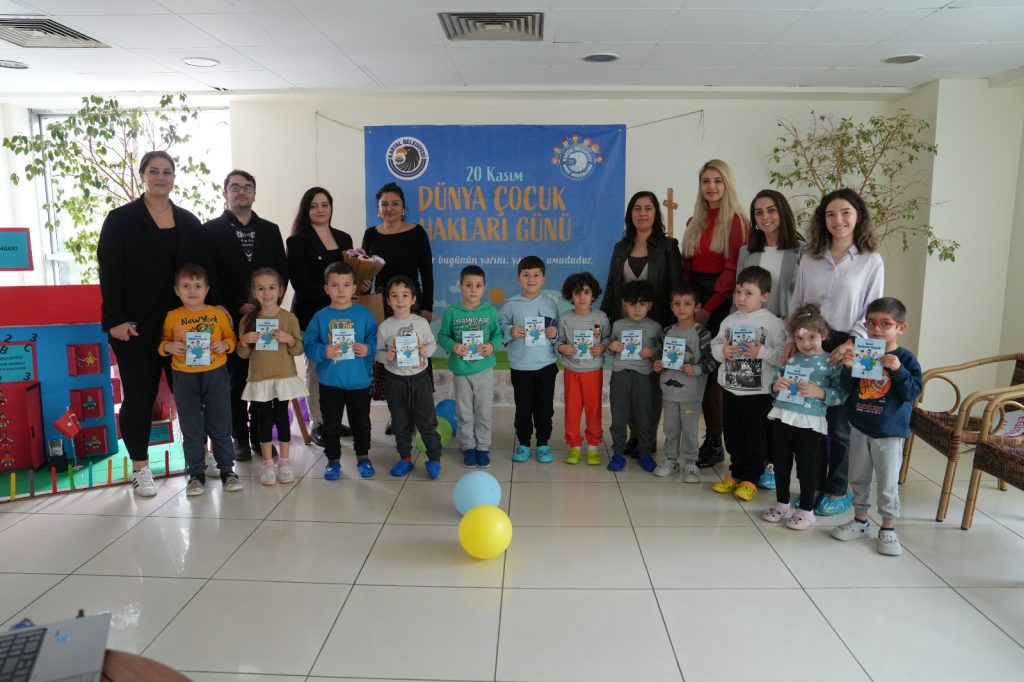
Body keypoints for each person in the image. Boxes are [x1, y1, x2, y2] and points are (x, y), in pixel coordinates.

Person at [97, 150, 213, 497]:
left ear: (174, 177)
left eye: (168, 171)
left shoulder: (189, 221)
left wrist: (205, 319)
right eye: (154, 171)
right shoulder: (120, 220)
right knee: (139, 397)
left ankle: (199, 456)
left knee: (191, 396)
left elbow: (202, 274)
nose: (161, 177)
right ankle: (140, 467)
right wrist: (114, 320)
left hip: (184, 327)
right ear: (143, 175)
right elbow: (109, 272)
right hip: (134, 329)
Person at [788, 188, 884, 517]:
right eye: (831, 214)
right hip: (810, 340)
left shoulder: (871, 260)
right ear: (822, 219)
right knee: (810, 420)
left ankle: (838, 488)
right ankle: (812, 488)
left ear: (858, 216)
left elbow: (874, 308)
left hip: (849, 344)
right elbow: (798, 299)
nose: (838, 220)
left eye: (845, 213)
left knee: (841, 423)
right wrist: (794, 336)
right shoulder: (811, 256)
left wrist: (852, 342)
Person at [205, 169, 288, 462]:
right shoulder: (211, 230)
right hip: (229, 316)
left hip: (267, 316)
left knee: (264, 376)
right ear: (224, 192)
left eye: (248, 187)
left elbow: (282, 270)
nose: (242, 192)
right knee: (237, 380)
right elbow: (209, 275)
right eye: (235, 187)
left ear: (255, 193)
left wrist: (269, 304)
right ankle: (239, 437)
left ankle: (260, 437)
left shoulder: (271, 229)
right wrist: (237, 304)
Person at [832, 297, 922, 555]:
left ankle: (888, 527)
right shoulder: (863, 351)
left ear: (900, 328)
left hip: (889, 432)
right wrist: (848, 368)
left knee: (887, 481)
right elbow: (846, 389)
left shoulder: (905, 357)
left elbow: (912, 393)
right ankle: (860, 520)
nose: (876, 329)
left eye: (885, 324)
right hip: (860, 425)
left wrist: (899, 371)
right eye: (871, 323)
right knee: (858, 476)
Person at [601, 191, 681, 456]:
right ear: (630, 214)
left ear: (656, 213)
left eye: (648, 208)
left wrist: (673, 326)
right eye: (637, 208)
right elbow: (613, 287)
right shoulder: (620, 247)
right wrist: (603, 321)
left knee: (649, 385)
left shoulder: (668, 246)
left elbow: (674, 287)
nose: (642, 213)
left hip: (655, 325)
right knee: (627, 381)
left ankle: (645, 439)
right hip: (625, 326)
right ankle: (633, 436)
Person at [682, 160, 749, 469]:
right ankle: (703, 439)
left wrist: (707, 311)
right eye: (706, 180)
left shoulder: (736, 221)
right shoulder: (694, 220)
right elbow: (688, 268)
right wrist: (686, 306)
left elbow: (732, 270)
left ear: (727, 184)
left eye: (717, 181)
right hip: (694, 301)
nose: (711, 186)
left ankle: (715, 440)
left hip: (719, 302)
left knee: (713, 376)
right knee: (696, 370)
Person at [737, 189, 803, 490]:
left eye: (771, 210)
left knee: (781, 399)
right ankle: (756, 460)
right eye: (759, 212)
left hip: (785, 333)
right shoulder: (746, 251)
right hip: (752, 334)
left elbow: (802, 298)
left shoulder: (801, 250)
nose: (765, 217)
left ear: (783, 212)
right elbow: (737, 295)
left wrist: (794, 335)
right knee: (756, 400)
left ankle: (775, 463)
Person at [158, 263, 241, 496]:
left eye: (197, 286)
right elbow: (162, 343)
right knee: (192, 427)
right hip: (184, 377)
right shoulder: (172, 317)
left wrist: (225, 345)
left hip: (216, 374)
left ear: (206, 289)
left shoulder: (217, 314)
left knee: (221, 424)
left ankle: (228, 470)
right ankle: (196, 474)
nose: (192, 291)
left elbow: (231, 338)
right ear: (176, 290)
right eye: (186, 286)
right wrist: (169, 346)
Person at [762, 305, 845, 530]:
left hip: (809, 423)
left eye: (812, 337)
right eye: (799, 338)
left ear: (824, 335)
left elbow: (841, 393)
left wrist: (820, 392)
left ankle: (806, 510)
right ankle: (782, 502)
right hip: (783, 418)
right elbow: (775, 381)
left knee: (807, 468)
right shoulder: (791, 358)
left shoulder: (831, 363)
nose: (805, 343)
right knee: (780, 464)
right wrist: (775, 386)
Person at [709, 266, 786, 502]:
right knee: (733, 434)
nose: (741, 298)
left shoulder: (773, 323)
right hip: (732, 389)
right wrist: (723, 350)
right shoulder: (729, 320)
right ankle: (735, 473)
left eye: (748, 293)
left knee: (756, 437)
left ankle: (751, 479)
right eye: (738, 292)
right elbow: (715, 346)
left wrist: (760, 351)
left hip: (759, 392)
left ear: (764, 296)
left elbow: (782, 355)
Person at [286, 187, 354, 448]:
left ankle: (335, 419)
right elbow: (300, 282)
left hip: (342, 316)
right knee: (317, 368)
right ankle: (320, 423)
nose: (320, 209)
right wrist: (334, 298)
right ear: (306, 209)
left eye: (324, 204)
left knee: (339, 366)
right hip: (311, 316)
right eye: (314, 205)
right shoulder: (297, 241)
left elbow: (350, 274)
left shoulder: (344, 238)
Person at [303, 261, 377, 480]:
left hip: (358, 381)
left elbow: (375, 339)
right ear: (327, 289)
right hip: (330, 382)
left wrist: (367, 348)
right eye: (335, 285)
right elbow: (309, 346)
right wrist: (323, 351)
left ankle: (363, 457)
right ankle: (333, 460)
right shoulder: (320, 316)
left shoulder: (364, 314)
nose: (341, 290)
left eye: (346, 285)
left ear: (354, 288)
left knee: (361, 423)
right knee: (331, 425)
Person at [235, 268, 306, 486]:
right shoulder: (248, 320)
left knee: (282, 418)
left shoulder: (289, 318)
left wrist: (290, 339)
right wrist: (244, 341)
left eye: (272, 288)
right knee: (263, 419)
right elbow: (243, 354)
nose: (267, 293)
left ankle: (284, 461)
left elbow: (298, 350)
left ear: (281, 290)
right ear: (254, 292)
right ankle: (267, 463)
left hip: (283, 377)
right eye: (261, 288)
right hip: (260, 378)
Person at [376, 275, 443, 480]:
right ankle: (405, 458)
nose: (400, 300)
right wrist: (385, 356)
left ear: (413, 299)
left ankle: (434, 458)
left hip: (420, 379)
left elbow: (432, 346)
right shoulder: (385, 327)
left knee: (427, 421)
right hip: (395, 380)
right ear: (388, 300)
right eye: (394, 296)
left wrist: (425, 350)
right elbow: (377, 353)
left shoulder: (421, 323)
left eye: (405, 295)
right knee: (400, 421)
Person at [437, 265, 503, 469]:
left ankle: (482, 447)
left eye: (478, 285)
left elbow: (498, 335)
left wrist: (491, 346)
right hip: (460, 370)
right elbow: (442, 336)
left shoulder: (489, 311)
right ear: (460, 287)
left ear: (484, 288)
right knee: (464, 412)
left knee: (483, 411)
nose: (473, 289)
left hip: (484, 369)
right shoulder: (451, 312)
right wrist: (453, 346)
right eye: (468, 285)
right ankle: (468, 447)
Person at [652, 283, 717, 482]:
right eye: (677, 304)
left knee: (690, 429)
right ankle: (671, 460)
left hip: (691, 394)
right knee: (670, 428)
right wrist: (658, 365)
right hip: (669, 392)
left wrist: (696, 369)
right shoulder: (666, 332)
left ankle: (691, 463)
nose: (681, 308)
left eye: (687, 304)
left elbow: (712, 360)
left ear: (696, 307)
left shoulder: (702, 334)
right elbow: (659, 356)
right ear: (671, 307)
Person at [500, 256, 560, 463]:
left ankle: (543, 443)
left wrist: (555, 334)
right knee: (523, 408)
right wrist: (511, 330)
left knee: (545, 408)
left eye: (536, 275)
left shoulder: (551, 304)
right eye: (526, 275)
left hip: (546, 365)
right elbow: (499, 330)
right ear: (518, 278)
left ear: (543, 279)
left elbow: (560, 333)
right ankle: (524, 443)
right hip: (521, 367)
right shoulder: (510, 305)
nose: (531, 279)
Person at [606, 279, 663, 473]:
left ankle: (645, 453)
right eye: (632, 304)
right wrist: (611, 346)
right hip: (620, 375)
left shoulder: (655, 327)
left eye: (642, 304)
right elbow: (610, 346)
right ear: (624, 304)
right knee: (619, 416)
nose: (637, 309)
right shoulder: (618, 325)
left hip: (643, 377)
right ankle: (618, 454)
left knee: (644, 415)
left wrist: (652, 351)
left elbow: (661, 351)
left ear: (650, 305)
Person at [556, 272, 610, 466]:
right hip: (572, 371)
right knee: (572, 410)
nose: (582, 296)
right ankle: (574, 446)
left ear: (593, 295)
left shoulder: (601, 317)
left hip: (594, 372)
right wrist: (563, 348)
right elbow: (558, 342)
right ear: (570, 295)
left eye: (586, 292)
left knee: (594, 410)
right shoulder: (565, 319)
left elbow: (607, 339)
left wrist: (603, 346)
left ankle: (593, 446)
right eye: (577, 292)